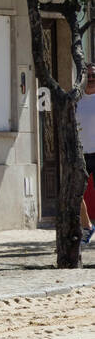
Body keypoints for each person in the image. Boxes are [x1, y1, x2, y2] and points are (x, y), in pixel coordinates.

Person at [74, 63, 95, 242]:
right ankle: (87, 226)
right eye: (87, 75)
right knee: (76, 191)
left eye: (93, 75)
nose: (91, 78)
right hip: (82, 154)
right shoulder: (76, 100)